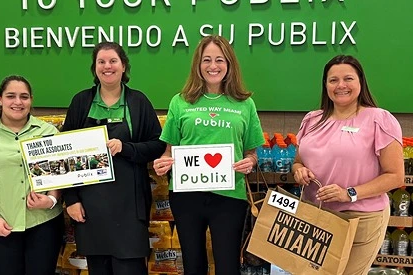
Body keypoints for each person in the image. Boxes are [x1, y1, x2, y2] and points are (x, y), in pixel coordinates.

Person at [153, 35, 264, 275]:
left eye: (219, 60)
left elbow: (252, 152)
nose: (213, 66)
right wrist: (163, 163)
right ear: (198, 65)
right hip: (186, 196)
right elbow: (168, 150)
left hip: (229, 196)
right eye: (207, 60)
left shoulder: (245, 103)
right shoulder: (180, 101)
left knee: (227, 266)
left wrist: (250, 162)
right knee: (193, 266)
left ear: (229, 64)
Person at [292, 55, 404, 275]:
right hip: (314, 216)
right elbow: (298, 162)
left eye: (348, 79)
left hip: (360, 220)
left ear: (360, 83)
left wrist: (349, 193)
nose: (341, 85)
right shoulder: (312, 120)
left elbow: (395, 176)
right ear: (325, 85)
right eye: (333, 80)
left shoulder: (379, 119)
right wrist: (299, 171)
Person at [62, 41, 165, 275]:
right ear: (95, 68)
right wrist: (71, 199)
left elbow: (157, 145)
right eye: (101, 62)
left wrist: (126, 148)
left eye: (113, 61)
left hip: (130, 207)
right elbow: (64, 155)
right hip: (90, 207)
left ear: (123, 66)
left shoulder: (138, 102)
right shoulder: (81, 102)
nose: (107, 66)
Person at [0, 75, 63, 275]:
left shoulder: (49, 132)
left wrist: (50, 199)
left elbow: (60, 173)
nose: (17, 102)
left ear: (31, 100)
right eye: (11, 96)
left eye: (24, 97)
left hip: (43, 223)